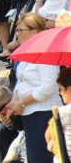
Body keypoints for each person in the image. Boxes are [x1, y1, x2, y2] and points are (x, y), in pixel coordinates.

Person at [7, 13, 62, 163]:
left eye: (20, 30)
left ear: (35, 31)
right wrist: (14, 101)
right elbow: (21, 80)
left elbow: (47, 87)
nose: (17, 34)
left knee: (42, 158)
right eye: (16, 30)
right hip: (29, 113)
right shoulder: (27, 51)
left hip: (43, 114)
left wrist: (22, 103)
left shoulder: (45, 52)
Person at [0, 85, 24, 163]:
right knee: (0, 129)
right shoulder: (6, 113)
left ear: (9, 103)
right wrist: (9, 123)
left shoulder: (22, 105)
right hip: (18, 140)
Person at [45, 67, 71, 159]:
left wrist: (51, 142)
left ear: (69, 89)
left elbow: (48, 136)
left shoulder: (63, 112)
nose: (60, 93)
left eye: (61, 89)